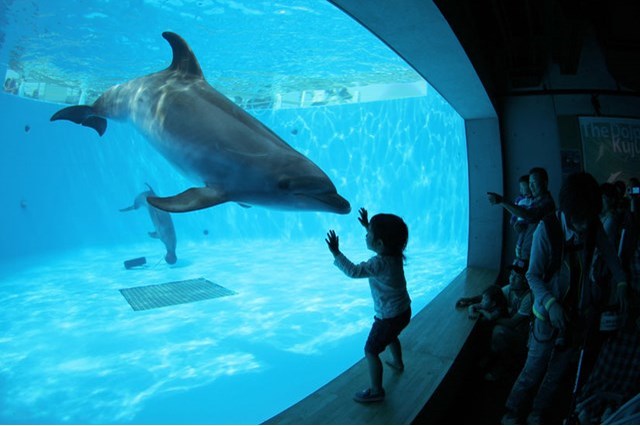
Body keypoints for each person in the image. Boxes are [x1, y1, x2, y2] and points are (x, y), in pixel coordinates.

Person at [501, 172, 629, 425]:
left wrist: (623, 282)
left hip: (575, 315)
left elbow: (611, 257)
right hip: (546, 315)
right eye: (577, 221)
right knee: (534, 367)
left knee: (557, 372)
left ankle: (536, 413)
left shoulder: (592, 225)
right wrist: (551, 304)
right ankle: (512, 411)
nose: (582, 228)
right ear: (567, 211)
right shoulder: (546, 230)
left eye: (587, 220)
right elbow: (533, 275)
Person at [326, 207, 411, 403]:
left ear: (380, 242)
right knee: (392, 336)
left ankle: (376, 391)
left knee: (371, 351)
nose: (366, 236)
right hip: (403, 312)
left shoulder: (378, 263)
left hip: (387, 317)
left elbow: (354, 271)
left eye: (369, 234)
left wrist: (336, 253)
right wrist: (367, 225)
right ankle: (397, 363)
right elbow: (383, 240)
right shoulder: (396, 254)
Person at [457, 258, 533, 381]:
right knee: (492, 326)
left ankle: (505, 367)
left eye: (517, 277)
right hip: (513, 334)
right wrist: (469, 300)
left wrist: (490, 318)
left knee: (498, 331)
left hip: (524, 341)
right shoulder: (511, 289)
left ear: (526, 281)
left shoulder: (529, 298)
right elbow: (489, 296)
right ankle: (493, 356)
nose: (512, 279)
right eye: (511, 275)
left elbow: (513, 323)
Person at [488, 167, 555, 261]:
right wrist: (522, 227)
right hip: (527, 254)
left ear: (545, 183)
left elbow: (528, 215)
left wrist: (502, 201)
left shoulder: (547, 203)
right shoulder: (534, 201)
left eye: (534, 183)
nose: (531, 187)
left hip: (536, 258)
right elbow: (529, 221)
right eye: (530, 183)